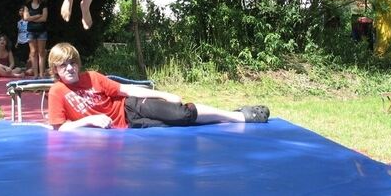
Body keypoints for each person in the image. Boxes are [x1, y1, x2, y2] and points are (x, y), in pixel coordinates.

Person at [46, 43, 270, 130]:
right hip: (128, 127)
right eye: (63, 65)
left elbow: (126, 90)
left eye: (72, 62)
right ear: (55, 69)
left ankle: (240, 116)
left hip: (131, 107)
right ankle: (229, 117)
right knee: (172, 126)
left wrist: (164, 94)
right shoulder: (57, 92)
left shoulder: (92, 77)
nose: (69, 68)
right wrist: (89, 119)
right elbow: (59, 127)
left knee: (179, 113)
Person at [24, 0, 48, 78]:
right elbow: (26, 18)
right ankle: (35, 74)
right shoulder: (27, 5)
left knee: (41, 52)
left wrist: (31, 19)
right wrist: (37, 16)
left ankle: (42, 74)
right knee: (33, 52)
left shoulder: (43, 4)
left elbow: (44, 18)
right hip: (31, 31)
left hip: (42, 31)